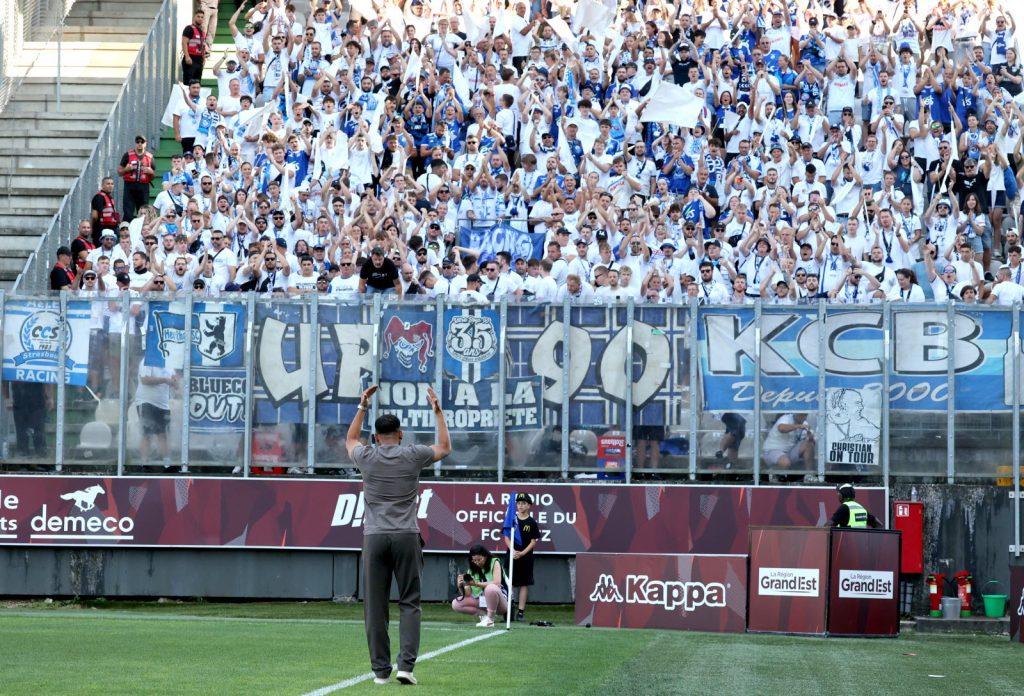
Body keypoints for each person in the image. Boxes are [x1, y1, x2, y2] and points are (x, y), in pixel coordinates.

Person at [345, 384, 451, 687]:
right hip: (406, 534)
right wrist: (438, 412)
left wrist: (363, 405)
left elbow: (351, 439)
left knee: (375, 607)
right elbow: (444, 447)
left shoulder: (366, 456)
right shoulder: (412, 455)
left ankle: (380, 671)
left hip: (375, 536)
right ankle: (405, 666)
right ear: (400, 434)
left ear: (377, 437)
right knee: (410, 602)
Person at [450, 543, 508, 628]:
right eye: (474, 560)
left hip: (500, 603)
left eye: (479, 559)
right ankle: (485, 616)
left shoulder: (494, 562)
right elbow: (468, 594)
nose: (477, 563)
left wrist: (476, 583)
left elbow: (497, 583)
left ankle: (490, 619)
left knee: (490, 588)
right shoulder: (471, 570)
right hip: (482, 601)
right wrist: (460, 585)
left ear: (485, 556)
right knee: (456, 604)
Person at [505, 492, 540, 623]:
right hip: (512, 555)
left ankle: (521, 612)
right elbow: (506, 537)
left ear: (529, 505)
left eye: (524, 503)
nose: (520, 506)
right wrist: (513, 550)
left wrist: (522, 553)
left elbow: (533, 541)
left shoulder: (531, 522)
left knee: (524, 583)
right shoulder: (511, 519)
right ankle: (508, 610)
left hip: (525, 557)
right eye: (518, 503)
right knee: (510, 583)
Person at [117, 135, 156, 222]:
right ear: (135, 143)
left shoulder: (150, 157)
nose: (140, 144)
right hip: (130, 187)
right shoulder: (127, 155)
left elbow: (153, 176)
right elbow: (119, 172)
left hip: (143, 187)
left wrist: (151, 172)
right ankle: (127, 233)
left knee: (143, 213)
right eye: (138, 142)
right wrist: (126, 169)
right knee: (128, 213)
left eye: (142, 142)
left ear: (145, 144)